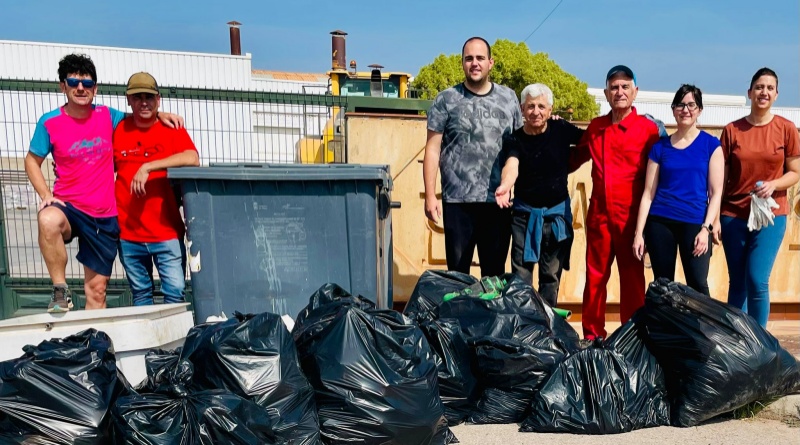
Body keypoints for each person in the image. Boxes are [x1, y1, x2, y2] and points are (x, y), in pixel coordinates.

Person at [25, 54, 182, 312]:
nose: (80, 88)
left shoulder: (108, 116)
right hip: (68, 206)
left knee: (97, 292)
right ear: (63, 86)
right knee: (47, 219)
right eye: (73, 82)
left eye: (87, 84)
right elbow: (32, 161)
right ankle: (59, 290)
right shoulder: (49, 122)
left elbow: (140, 115)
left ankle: (91, 347)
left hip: (102, 215)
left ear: (95, 89)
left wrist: (160, 112)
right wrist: (45, 193)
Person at [570, 65, 661, 340]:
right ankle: (592, 336)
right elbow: (574, 159)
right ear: (606, 94)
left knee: (633, 281)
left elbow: (661, 174)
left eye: (625, 87)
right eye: (614, 88)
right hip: (599, 216)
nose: (619, 92)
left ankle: (632, 338)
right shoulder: (596, 127)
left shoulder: (648, 130)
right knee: (595, 279)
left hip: (633, 219)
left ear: (635, 91)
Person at [423, 37, 522, 277]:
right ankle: (460, 316)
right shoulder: (445, 100)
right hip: (458, 203)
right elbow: (432, 149)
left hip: (497, 203)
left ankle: (490, 316)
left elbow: (519, 147)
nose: (474, 63)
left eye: (480, 58)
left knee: (494, 276)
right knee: (457, 276)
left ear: (491, 63)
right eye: (469, 59)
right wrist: (429, 195)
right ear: (462, 63)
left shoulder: (509, 98)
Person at [718, 67, 800, 327]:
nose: (763, 92)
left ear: (776, 95)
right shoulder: (732, 130)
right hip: (734, 215)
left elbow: (795, 172)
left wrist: (774, 184)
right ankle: (738, 344)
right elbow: (721, 178)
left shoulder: (786, 129)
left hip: (771, 215)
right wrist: (714, 217)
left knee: (757, 279)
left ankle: (760, 345)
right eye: (759, 87)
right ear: (749, 93)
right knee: (738, 281)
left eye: (769, 88)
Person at [114, 72, 200, 306]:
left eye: (149, 97)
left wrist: (148, 166)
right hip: (129, 233)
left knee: (174, 295)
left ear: (158, 99)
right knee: (141, 297)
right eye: (138, 97)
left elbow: (192, 157)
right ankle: (147, 343)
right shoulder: (118, 129)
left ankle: (174, 344)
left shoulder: (172, 129)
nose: (144, 102)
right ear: (128, 100)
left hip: (166, 233)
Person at [495, 83, 583, 307]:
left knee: (550, 278)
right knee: (521, 278)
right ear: (522, 109)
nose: (536, 111)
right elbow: (511, 165)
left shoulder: (561, 129)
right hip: (524, 218)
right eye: (531, 106)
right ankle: (523, 326)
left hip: (556, 217)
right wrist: (505, 186)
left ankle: (546, 328)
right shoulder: (514, 138)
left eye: (542, 106)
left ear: (550, 110)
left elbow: (591, 140)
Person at [632, 84, 724, 296]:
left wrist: (706, 229)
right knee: (663, 285)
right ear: (673, 109)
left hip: (695, 223)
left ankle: (703, 329)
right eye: (680, 105)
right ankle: (666, 329)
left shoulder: (711, 145)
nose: (686, 110)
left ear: (699, 110)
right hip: (660, 221)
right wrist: (639, 233)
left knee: (698, 283)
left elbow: (715, 193)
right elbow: (648, 194)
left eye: (691, 105)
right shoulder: (660, 147)